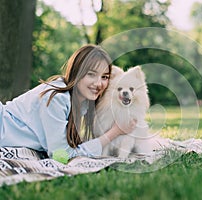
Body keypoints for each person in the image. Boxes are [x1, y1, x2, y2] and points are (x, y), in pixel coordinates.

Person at [0, 44, 136, 160]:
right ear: (76, 72)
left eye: (104, 77)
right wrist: (115, 132)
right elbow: (62, 156)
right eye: (91, 74)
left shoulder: (81, 102)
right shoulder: (56, 99)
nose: (99, 83)